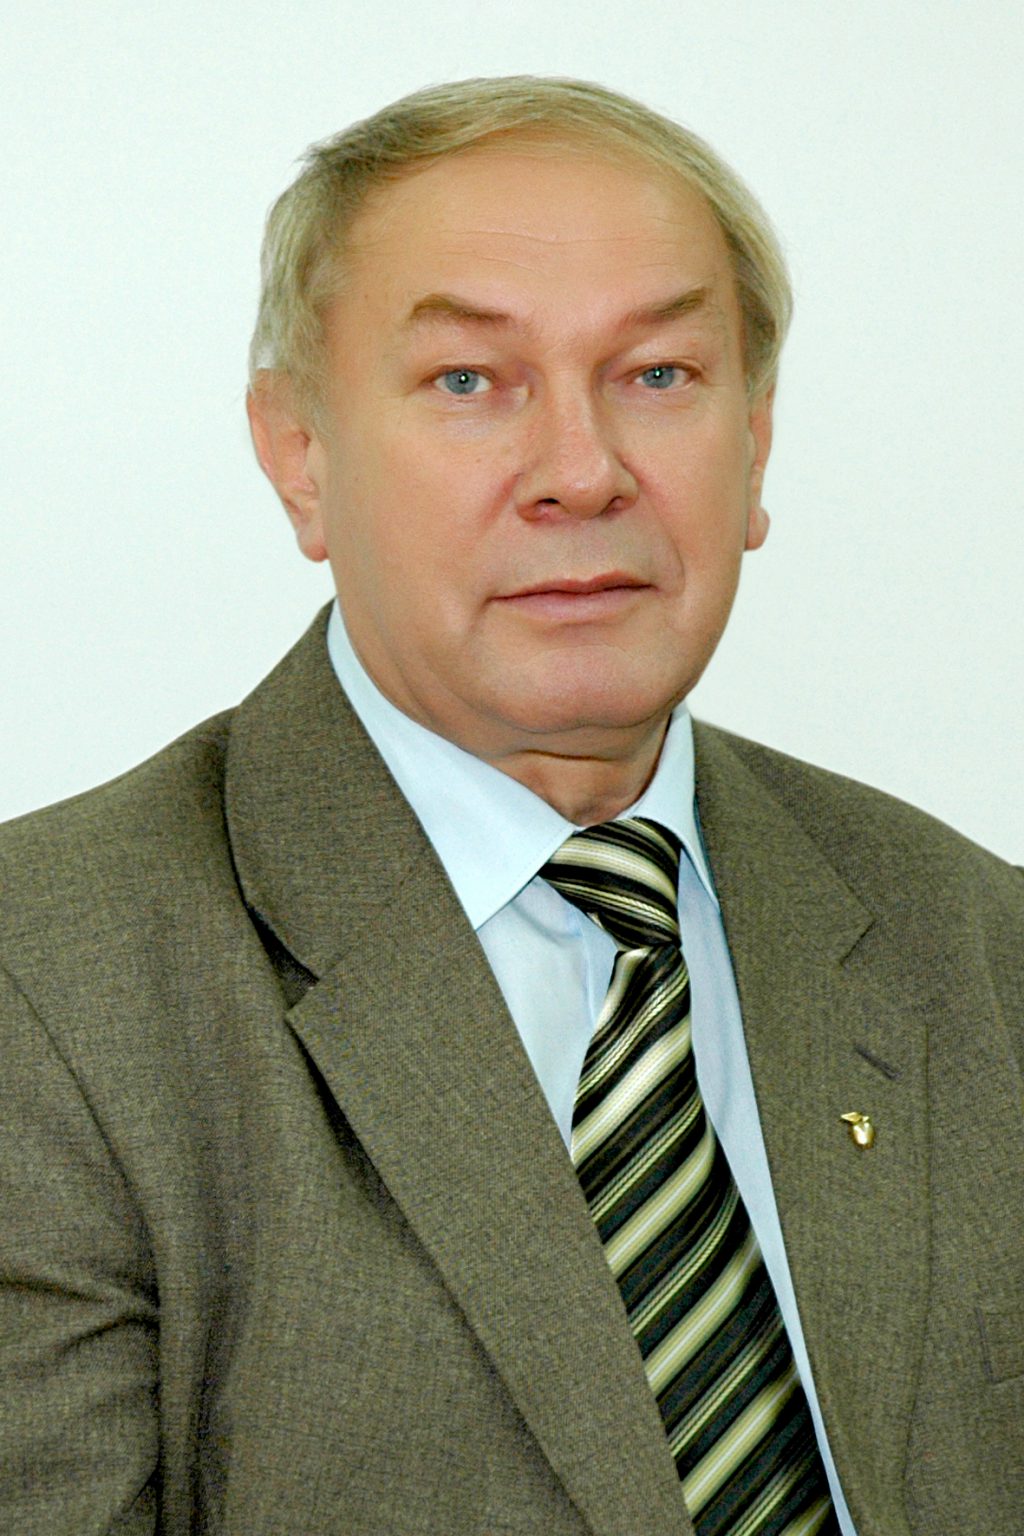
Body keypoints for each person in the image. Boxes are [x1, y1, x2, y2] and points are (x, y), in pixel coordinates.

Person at [1, 76, 1021, 1536]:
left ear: (755, 443)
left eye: (658, 374)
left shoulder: (978, 943)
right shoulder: (46, 989)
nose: (583, 473)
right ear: (300, 454)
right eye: (469, 383)